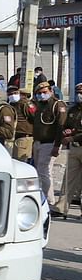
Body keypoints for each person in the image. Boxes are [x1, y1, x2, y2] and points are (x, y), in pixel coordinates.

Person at [31, 80, 67, 205]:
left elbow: (60, 126)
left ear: (51, 91)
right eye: (39, 93)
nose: (42, 95)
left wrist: (57, 145)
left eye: (44, 92)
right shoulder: (40, 105)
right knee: (39, 172)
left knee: (44, 171)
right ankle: (43, 198)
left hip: (50, 142)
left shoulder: (57, 105)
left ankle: (49, 201)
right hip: (38, 142)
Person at [53, 82, 82, 219]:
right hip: (74, 149)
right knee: (68, 180)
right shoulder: (73, 110)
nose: (79, 95)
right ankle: (61, 208)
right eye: (78, 92)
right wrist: (67, 132)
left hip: (76, 142)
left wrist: (73, 137)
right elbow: (66, 126)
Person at [7, 85, 35, 162]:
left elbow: (34, 117)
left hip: (23, 136)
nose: (12, 95)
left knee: (21, 162)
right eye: (10, 94)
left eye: (15, 93)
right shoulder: (12, 104)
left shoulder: (25, 104)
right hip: (14, 137)